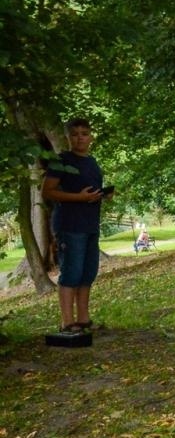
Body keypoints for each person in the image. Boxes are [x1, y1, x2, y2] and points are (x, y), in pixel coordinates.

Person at [41, 117, 109, 333]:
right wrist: (78, 198)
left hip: (90, 224)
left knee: (88, 272)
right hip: (69, 225)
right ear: (68, 137)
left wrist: (101, 195)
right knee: (72, 272)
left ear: (91, 137)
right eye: (75, 134)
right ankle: (67, 323)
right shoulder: (61, 160)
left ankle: (83, 319)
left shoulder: (92, 162)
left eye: (84, 133)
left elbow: (88, 191)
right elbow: (47, 191)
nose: (80, 138)